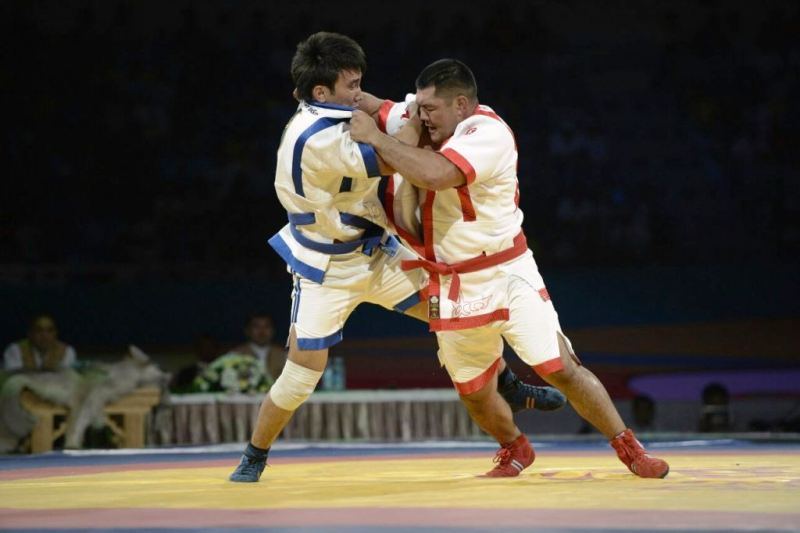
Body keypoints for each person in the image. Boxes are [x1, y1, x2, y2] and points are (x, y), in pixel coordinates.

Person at [230, 33, 563, 483]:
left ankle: (508, 386)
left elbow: (379, 114)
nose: (359, 93)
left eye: (359, 82)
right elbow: (392, 158)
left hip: (378, 252)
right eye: (351, 86)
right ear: (321, 92)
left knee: (455, 308)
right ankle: (255, 454)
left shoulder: (333, 110)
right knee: (301, 375)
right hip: (328, 269)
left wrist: (398, 109)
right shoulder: (315, 137)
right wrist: (414, 122)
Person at [350, 58, 670, 478]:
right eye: (420, 108)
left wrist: (376, 138)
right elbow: (381, 106)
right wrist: (330, 96)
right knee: (473, 391)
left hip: (506, 271)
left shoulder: (488, 133)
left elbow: (436, 174)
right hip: (451, 280)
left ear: (461, 105)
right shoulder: (426, 116)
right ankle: (515, 447)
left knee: (560, 367)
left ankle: (630, 449)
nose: (422, 117)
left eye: (430, 109)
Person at [3, 314, 77, 371]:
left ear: (56, 333)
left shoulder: (67, 351)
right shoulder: (15, 350)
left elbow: (67, 379)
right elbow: (13, 379)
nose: (44, 335)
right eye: (39, 330)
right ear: (30, 333)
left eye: (50, 331)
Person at [228, 313, 286, 384]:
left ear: (273, 330)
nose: (262, 331)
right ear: (247, 330)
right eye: (256, 326)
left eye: (266, 326)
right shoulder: (234, 356)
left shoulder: (285, 356)